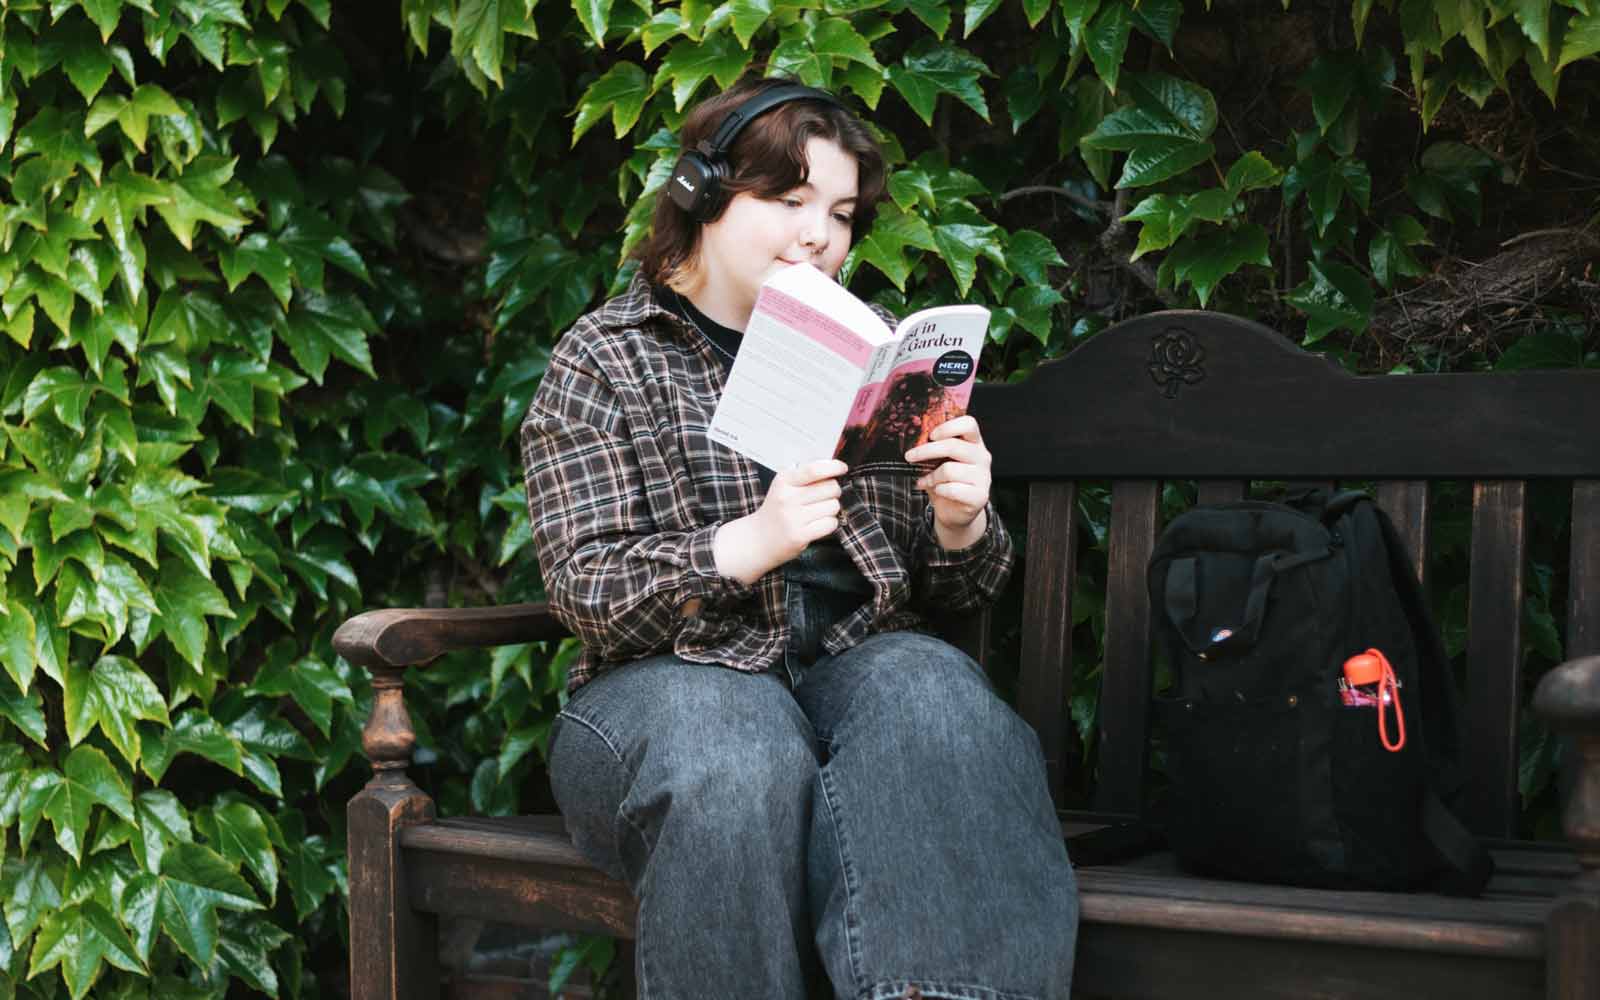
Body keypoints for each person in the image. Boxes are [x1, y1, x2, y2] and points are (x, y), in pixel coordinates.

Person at [521, 75, 1078, 1000]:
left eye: (843, 213)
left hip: (851, 670)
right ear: (702, 194)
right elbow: (585, 588)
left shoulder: (881, 353)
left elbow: (959, 592)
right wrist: (748, 542)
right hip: (665, 691)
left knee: (935, 694)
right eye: (788, 201)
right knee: (737, 747)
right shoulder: (606, 358)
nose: (820, 234)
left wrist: (960, 520)